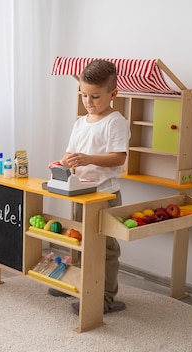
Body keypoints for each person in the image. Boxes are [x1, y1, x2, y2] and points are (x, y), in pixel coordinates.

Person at [48, 59, 130, 315]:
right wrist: (61, 163)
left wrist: (89, 158)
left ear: (113, 94)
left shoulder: (115, 122)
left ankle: (105, 298)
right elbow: (71, 153)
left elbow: (119, 158)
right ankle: (76, 284)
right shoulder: (80, 122)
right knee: (78, 241)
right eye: (84, 95)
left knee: (105, 249)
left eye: (95, 96)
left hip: (104, 194)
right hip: (80, 193)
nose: (88, 101)